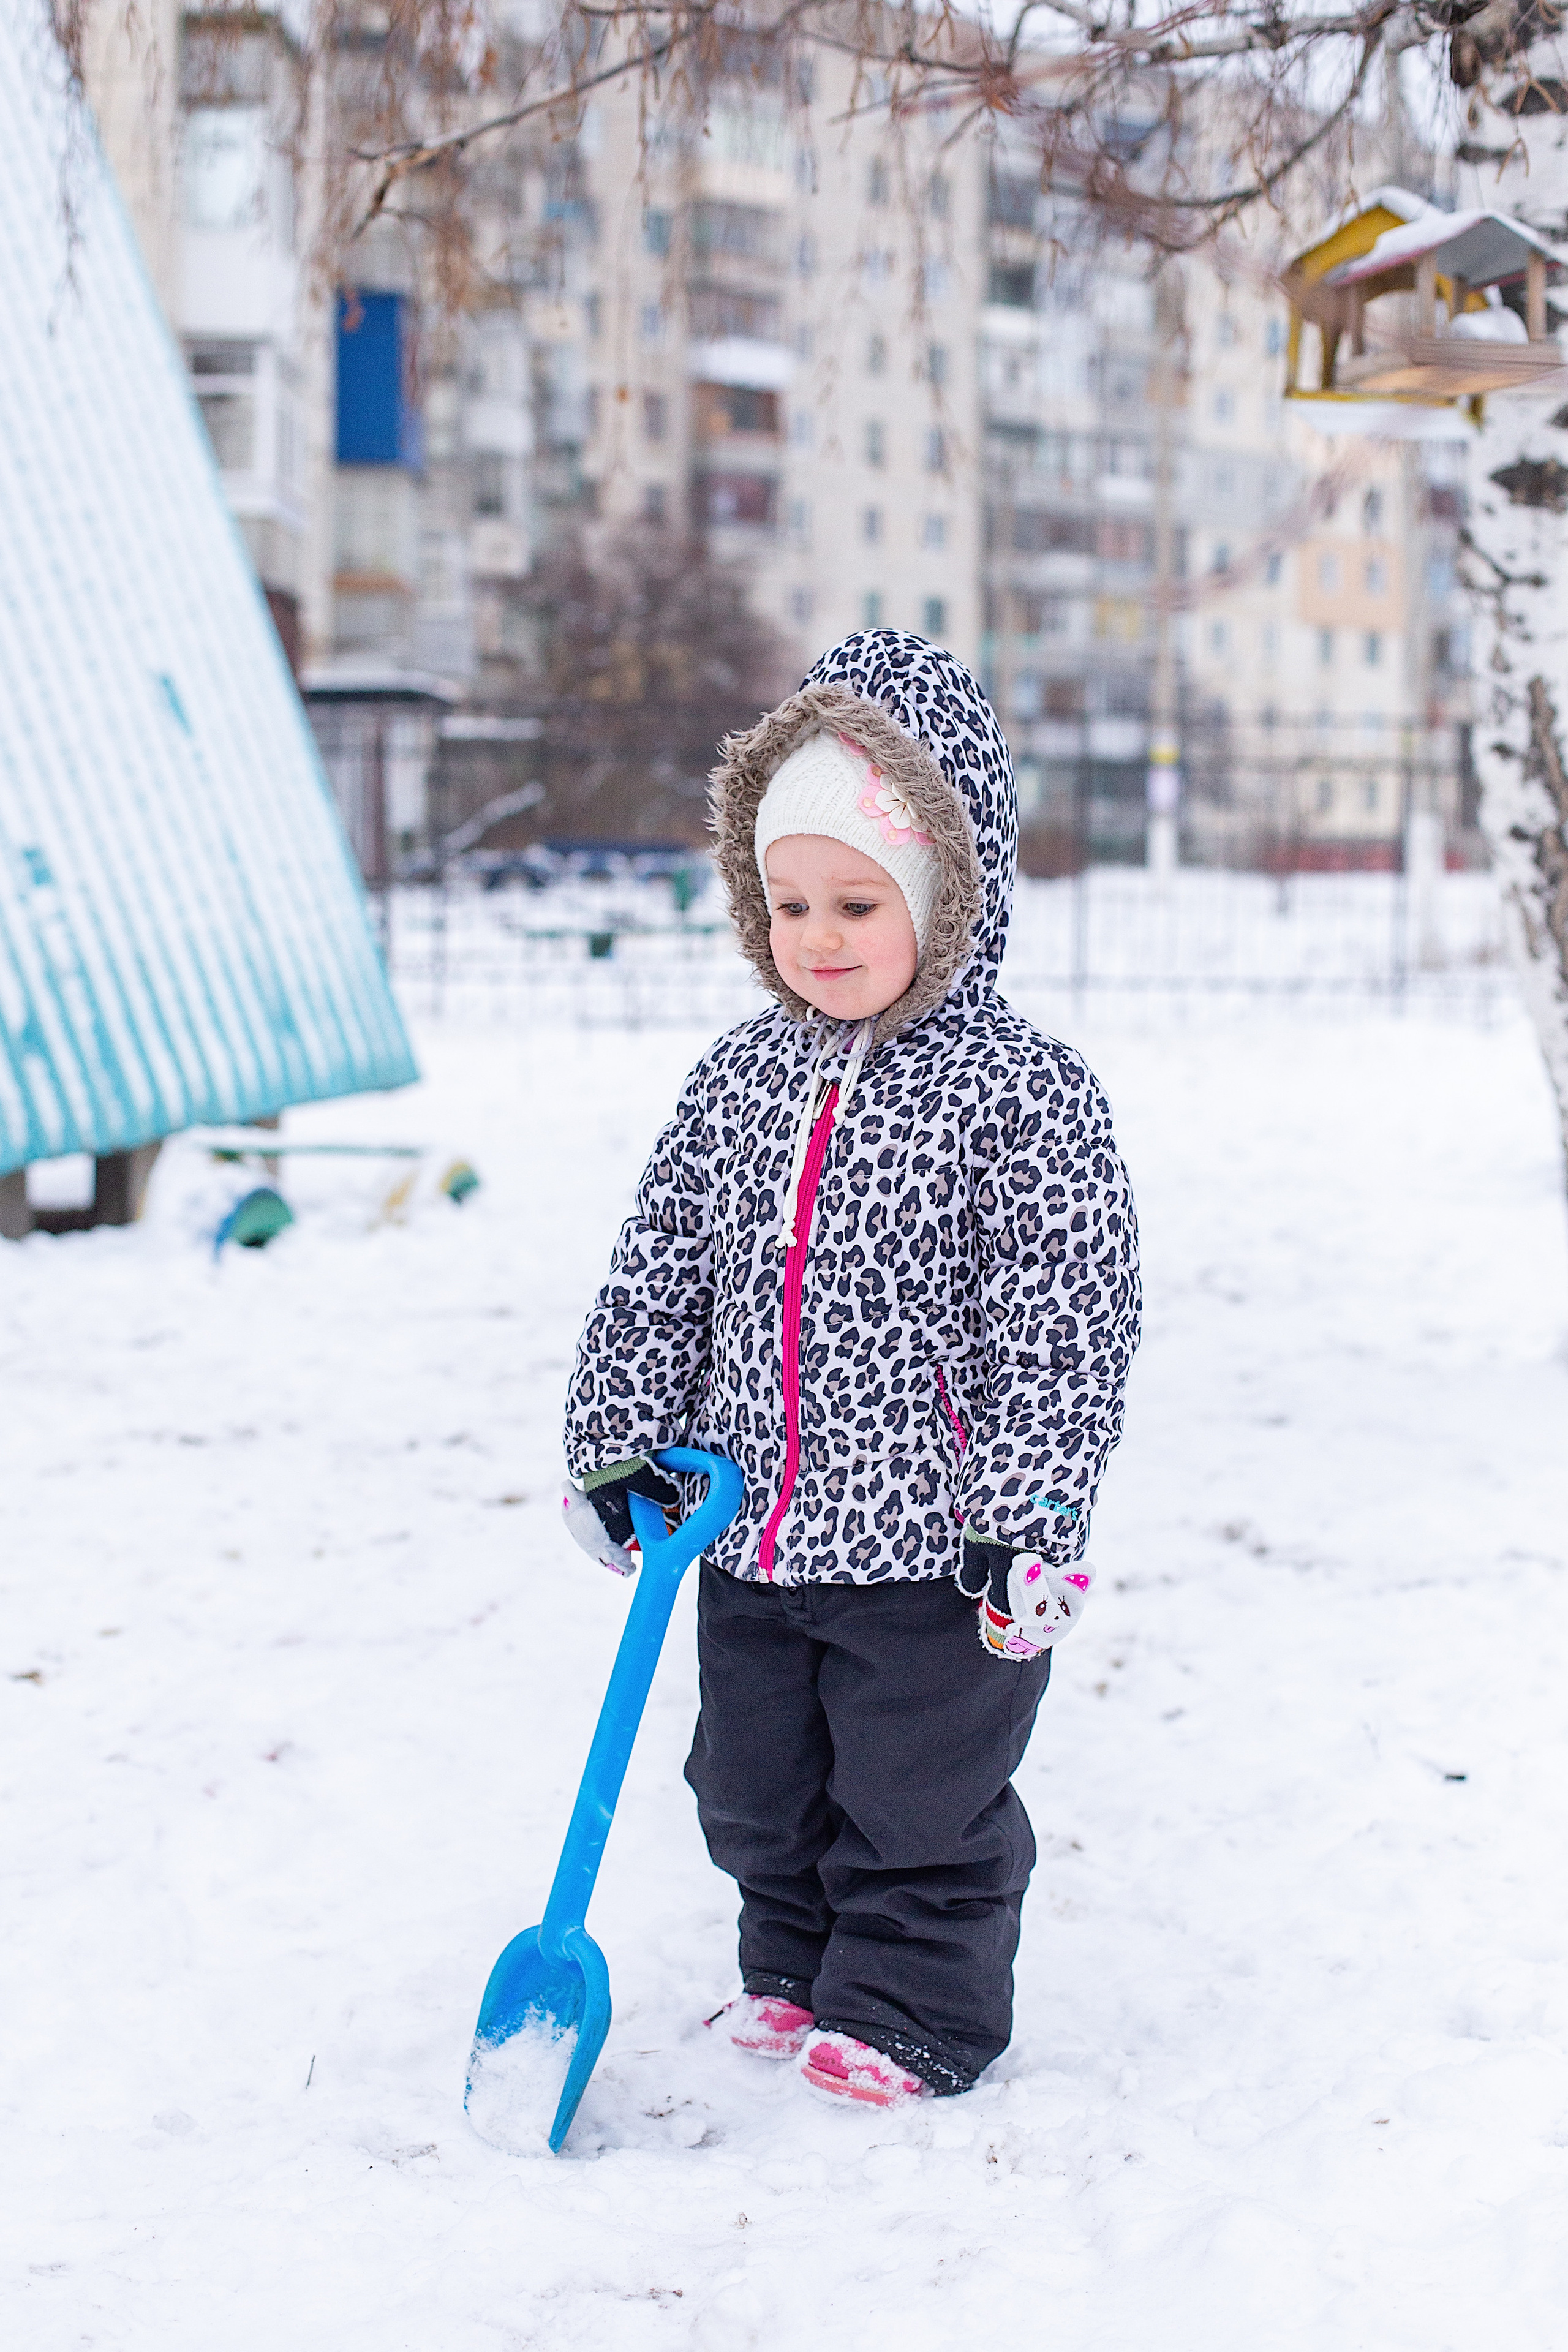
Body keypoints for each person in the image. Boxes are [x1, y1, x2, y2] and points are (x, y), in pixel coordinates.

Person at [562, 630, 1140, 2107]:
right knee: (752, 1787)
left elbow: (1064, 1322)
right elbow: (662, 1263)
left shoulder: (1018, 1094)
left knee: (918, 1799)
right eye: (789, 900)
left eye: (858, 902)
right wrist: (619, 1440)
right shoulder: (739, 1075)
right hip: (746, 1522)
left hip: (934, 1547)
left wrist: (1028, 1513)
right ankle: (793, 1968)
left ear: (945, 894)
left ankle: (911, 2011)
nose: (817, 934)